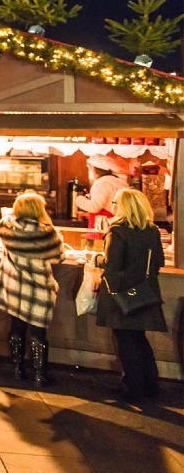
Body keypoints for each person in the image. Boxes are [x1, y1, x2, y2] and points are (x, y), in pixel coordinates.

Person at [97, 188, 167, 403]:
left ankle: (133, 389)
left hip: (122, 296)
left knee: (126, 340)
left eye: (115, 202)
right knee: (139, 338)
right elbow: (159, 262)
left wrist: (99, 259)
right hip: (144, 293)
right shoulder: (152, 230)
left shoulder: (117, 231)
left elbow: (112, 266)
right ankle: (151, 384)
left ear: (125, 206)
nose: (112, 206)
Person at [0, 192, 64, 386]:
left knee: (17, 328)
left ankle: (17, 369)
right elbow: (59, 256)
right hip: (39, 290)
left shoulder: (6, 227)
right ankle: (40, 375)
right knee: (39, 333)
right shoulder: (47, 232)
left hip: (15, 288)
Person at [75, 155, 129, 229]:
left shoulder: (102, 183)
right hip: (117, 223)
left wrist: (78, 199)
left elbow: (95, 207)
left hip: (105, 226)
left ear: (94, 169)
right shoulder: (115, 181)